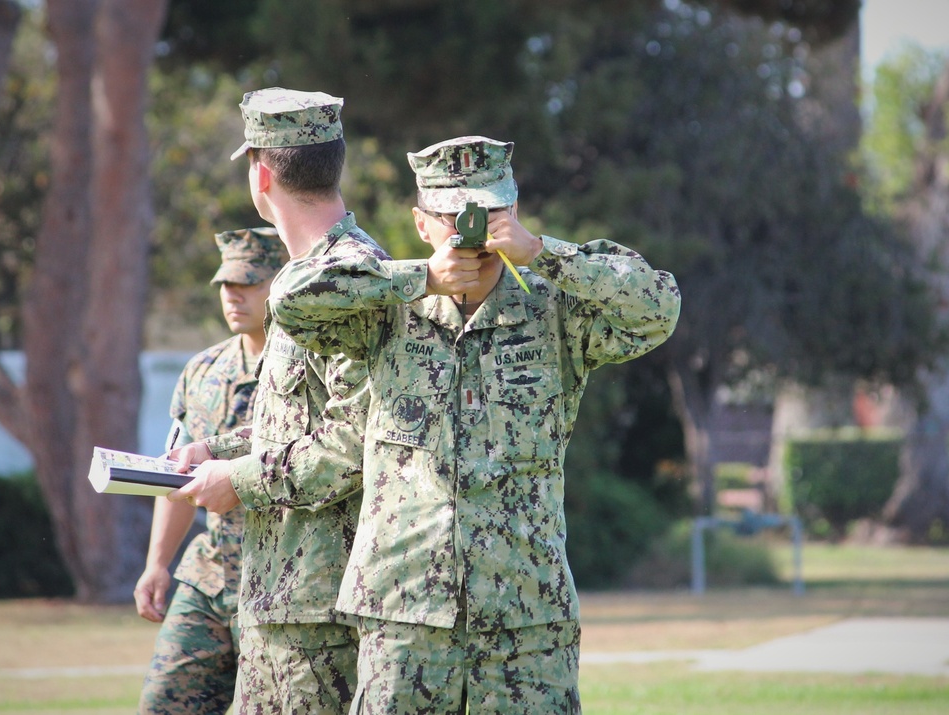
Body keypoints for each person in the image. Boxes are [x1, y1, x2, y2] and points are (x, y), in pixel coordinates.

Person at [268, 135, 682, 713]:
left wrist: (542, 251)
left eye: (491, 211)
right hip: (404, 611)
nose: (474, 229)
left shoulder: (552, 308)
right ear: (422, 224)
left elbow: (658, 306)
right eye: (455, 215)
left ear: (513, 210)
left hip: (526, 616)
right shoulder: (387, 310)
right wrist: (419, 279)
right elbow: (290, 300)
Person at [168, 88, 389, 714]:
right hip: (286, 595)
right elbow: (304, 416)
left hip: (318, 605)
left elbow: (357, 439)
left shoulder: (343, 278)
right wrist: (216, 448)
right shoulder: (315, 272)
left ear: (261, 174)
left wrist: (239, 478)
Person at [134, 227, 286, 715]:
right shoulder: (202, 369)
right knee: (162, 705)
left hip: (280, 580)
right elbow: (176, 477)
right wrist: (158, 563)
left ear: (281, 283)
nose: (232, 295)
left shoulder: (314, 362)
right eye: (225, 284)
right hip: (211, 574)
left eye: (248, 282)